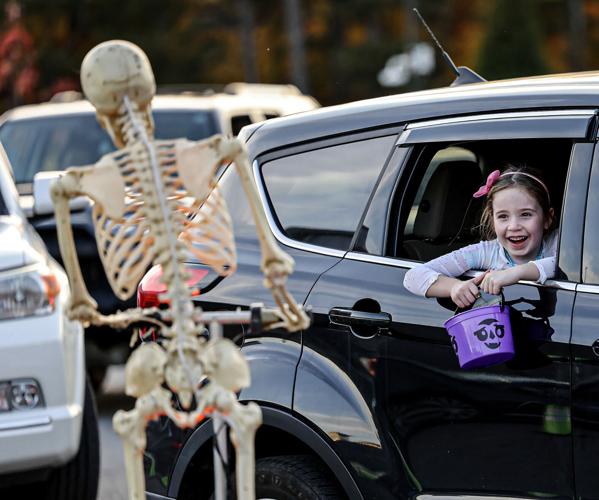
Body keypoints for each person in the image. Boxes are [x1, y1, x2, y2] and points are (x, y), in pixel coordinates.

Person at [403, 166, 557, 308]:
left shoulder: (559, 244)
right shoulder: (486, 252)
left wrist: (514, 273)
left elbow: (562, 266)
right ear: (492, 220)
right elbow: (412, 277)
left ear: (547, 219)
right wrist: (454, 286)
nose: (514, 226)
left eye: (526, 214)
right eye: (503, 216)